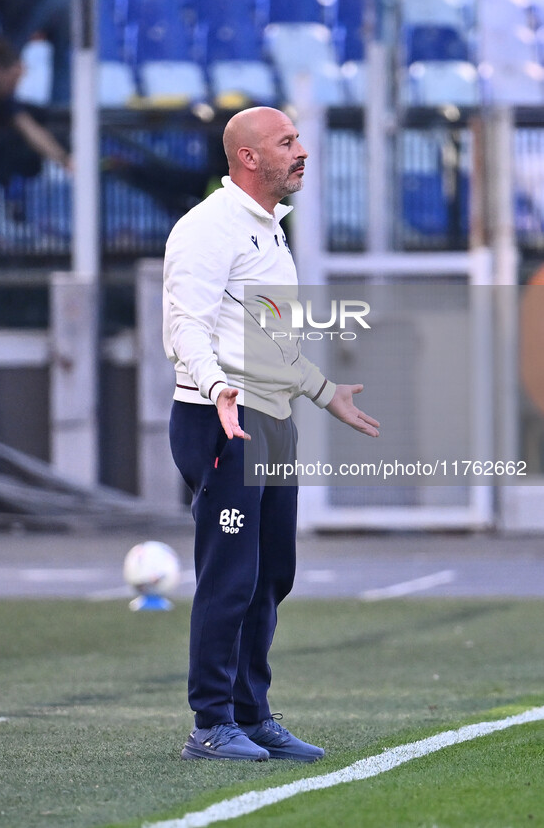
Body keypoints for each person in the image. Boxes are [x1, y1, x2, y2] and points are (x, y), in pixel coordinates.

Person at [162, 106, 380, 762]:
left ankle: (252, 716)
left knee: (271, 575)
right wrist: (217, 386)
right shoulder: (207, 229)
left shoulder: (270, 229)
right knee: (231, 576)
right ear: (249, 158)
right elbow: (184, 328)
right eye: (287, 142)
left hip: (271, 422)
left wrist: (322, 392)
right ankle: (210, 723)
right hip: (222, 419)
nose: (301, 151)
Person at [0, 38, 71, 228]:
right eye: (13, 79)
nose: (15, 86)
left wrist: (64, 159)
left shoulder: (1, 99)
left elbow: (30, 129)